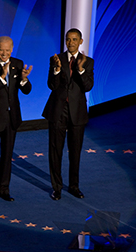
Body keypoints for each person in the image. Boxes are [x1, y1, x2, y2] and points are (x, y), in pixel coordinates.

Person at [0, 36, 32, 207]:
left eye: (8, 50)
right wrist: (2, 76)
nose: (5, 53)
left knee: (7, 156)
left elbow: (26, 91)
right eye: (2, 49)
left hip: (12, 118)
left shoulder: (18, 63)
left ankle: (3, 190)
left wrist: (24, 79)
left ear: (12, 49)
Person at [42, 28, 94, 200]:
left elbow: (87, 87)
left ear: (81, 41)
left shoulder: (88, 62)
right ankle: (56, 188)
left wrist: (80, 69)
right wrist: (57, 69)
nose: (70, 42)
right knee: (55, 150)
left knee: (75, 151)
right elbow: (52, 85)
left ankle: (74, 186)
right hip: (58, 110)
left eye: (74, 39)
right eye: (68, 39)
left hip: (77, 112)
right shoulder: (56, 59)